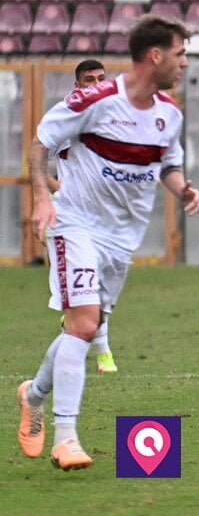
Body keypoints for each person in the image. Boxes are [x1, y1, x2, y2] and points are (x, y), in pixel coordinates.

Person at [18, 15, 199, 471]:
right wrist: (43, 197)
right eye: (180, 53)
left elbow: (167, 165)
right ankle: (67, 438)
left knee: (79, 328)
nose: (185, 62)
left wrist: (182, 189)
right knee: (83, 326)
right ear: (156, 55)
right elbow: (40, 143)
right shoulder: (96, 100)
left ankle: (33, 394)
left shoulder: (170, 113)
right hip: (76, 225)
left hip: (122, 241)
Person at [46, 59, 119, 374]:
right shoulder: (64, 116)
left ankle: (38, 389)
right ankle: (103, 357)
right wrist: (54, 191)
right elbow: (35, 159)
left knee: (100, 292)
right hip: (68, 219)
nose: (97, 83)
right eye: (89, 79)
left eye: (101, 78)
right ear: (78, 86)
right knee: (86, 302)